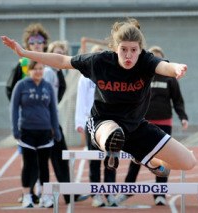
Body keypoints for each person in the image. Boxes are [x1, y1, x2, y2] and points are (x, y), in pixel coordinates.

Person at [1, 18, 196, 187]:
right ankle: (116, 148)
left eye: (133, 50)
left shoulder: (146, 61)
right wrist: (25, 53)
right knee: (113, 133)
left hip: (136, 127)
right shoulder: (99, 61)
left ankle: (146, 157)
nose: (128, 55)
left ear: (140, 49)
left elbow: (164, 66)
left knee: (188, 161)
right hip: (103, 124)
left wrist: (176, 68)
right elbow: (62, 60)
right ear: (115, 48)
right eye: (123, 50)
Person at [116, 46, 189, 206]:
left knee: (163, 158)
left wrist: (183, 117)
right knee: (136, 158)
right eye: (151, 58)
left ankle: (160, 193)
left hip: (164, 123)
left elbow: (177, 100)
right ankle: (127, 190)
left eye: (158, 59)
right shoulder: (140, 78)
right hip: (142, 124)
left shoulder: (170, 79)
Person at [5, 23, 50, 204]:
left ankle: (43, 191)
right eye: (33, 41)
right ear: (27, 43)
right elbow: (11, 90)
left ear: (45, 43)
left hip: (45, 119)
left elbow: (59, 88)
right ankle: (28, 191)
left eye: (40, 41)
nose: (37, 44)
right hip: (28, 121)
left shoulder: (50, 60)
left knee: (45, 160)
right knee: (27, 159)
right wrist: (23, 106)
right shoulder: (22, 64)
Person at [10, 60, 61, 208]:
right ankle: (27, 196)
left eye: (41, 68)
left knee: (44, 165)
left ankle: (45, 196)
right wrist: (15, 129)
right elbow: (13, 109)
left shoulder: (48, 86)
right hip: (27, 132)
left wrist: (56, 129)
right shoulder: (21, 85)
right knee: (29, 165)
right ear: (29, 70)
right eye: (35, 69)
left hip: (45, 132)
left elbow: (53, 109)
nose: (38, 71)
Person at [75, 45, 117, 207]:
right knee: (94, 160)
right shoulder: (85, 77)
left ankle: (110, 192)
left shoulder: (112, 75)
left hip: (111, 123)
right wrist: (80, 122)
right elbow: (81, 100)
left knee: (112, 158)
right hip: (92, 122)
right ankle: (96, 194)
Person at [44, 40, 83, 204]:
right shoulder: (48, 72)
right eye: (56, 53)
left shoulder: (58, 73)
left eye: (62, 53)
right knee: (47, 159)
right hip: (46, 123)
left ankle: (68, 194)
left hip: (53, 121)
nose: (59, 56)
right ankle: (42, 195)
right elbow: (45, 98)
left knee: (60, 158)